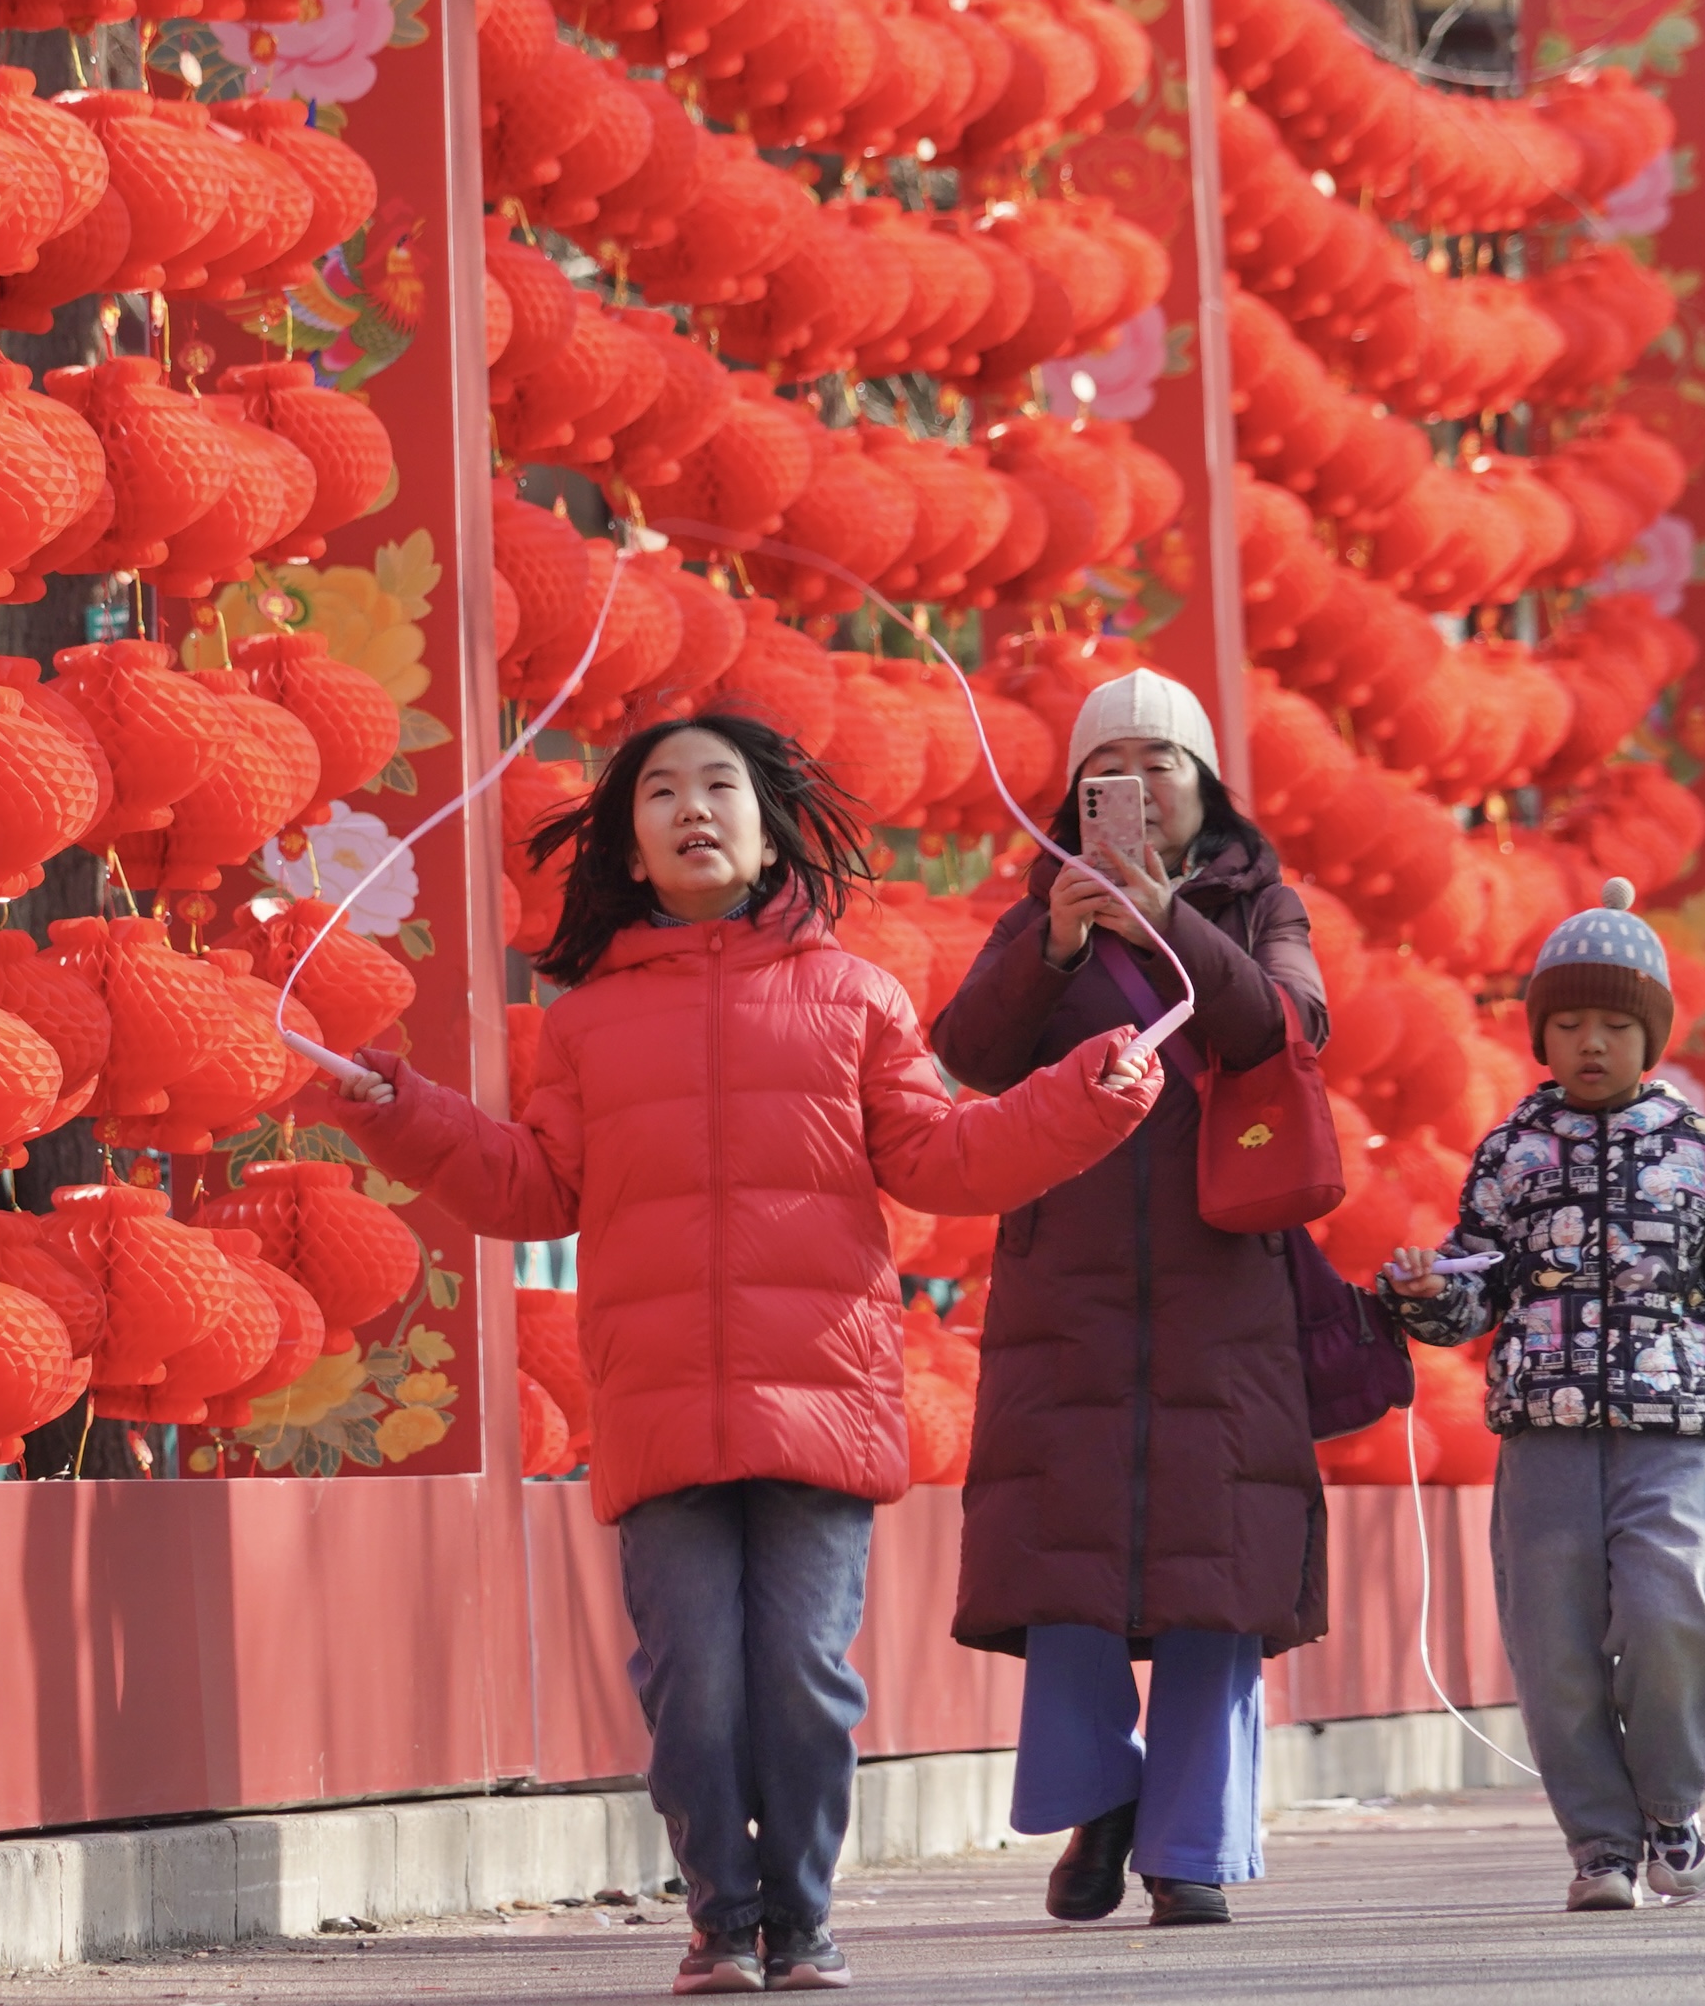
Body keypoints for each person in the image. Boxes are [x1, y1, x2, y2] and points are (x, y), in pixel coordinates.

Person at [326, 713, 1161, 1996]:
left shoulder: (858, 994)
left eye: (720, 785)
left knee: (805, 1677)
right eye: (661, 792)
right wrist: (407, 1114)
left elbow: (945, 1157)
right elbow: (535, 1185)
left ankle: (803, 1918)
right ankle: (723, 1917)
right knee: (693, 1685)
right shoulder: (587, 1021)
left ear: (771, 832)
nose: (692, 807)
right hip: (658, 1402)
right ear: (631, 848)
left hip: (821, 1398)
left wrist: (1085, 1090)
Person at [927, 667, 1330, 1932]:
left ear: (1205, 782)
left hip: (1225, 1282)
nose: (1140, 780)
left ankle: (1192, 1842)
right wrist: (1055, 942)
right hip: (1067, 1278)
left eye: (1165, 758)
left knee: (1218, 1563)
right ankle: (1097, 1799)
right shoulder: (1043, 909)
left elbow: (1284, 1026)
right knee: (1071, 1556)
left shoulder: (1260, 903)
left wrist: (1168, 919)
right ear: (1077, 793)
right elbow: (968, 1051)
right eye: (1113, 763)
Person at [1383, 879, 1705, 1914]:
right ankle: (1601, 1843)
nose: (1591, 1043)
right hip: (1542, 1438)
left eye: (1613, 1022)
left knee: (1668, 1612)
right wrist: (1427, 1295)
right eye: (1567, 1024)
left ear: (1650, 1035)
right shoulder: (1512, 1152)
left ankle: (1674, 1807)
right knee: (1553, 1647)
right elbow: (1476, 1292)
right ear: (1540, 1036)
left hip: (1672, 1434)